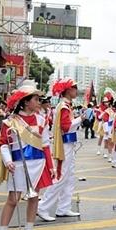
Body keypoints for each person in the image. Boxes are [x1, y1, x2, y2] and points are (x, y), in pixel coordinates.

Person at [0, 80, 57, 230]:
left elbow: (45, 145)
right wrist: (8, 161)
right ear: (26, 101)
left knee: (34, 198)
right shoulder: (11, 121)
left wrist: (51, 166)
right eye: (36, 99)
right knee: (13, 199)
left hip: (38, 163)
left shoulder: (41, 120)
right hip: (18, 164)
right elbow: (3, 144)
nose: (39, 102)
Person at [38, 78, 82, 221]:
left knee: (69, 177)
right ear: (68, 90)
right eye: (75, 88)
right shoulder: (63, 106)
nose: (76, 91)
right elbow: (66, 127)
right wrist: (80, 119)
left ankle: (64, 208)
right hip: (64, 146)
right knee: (61, 177)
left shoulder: (66, 105)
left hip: (68, 144)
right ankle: (42, 207)